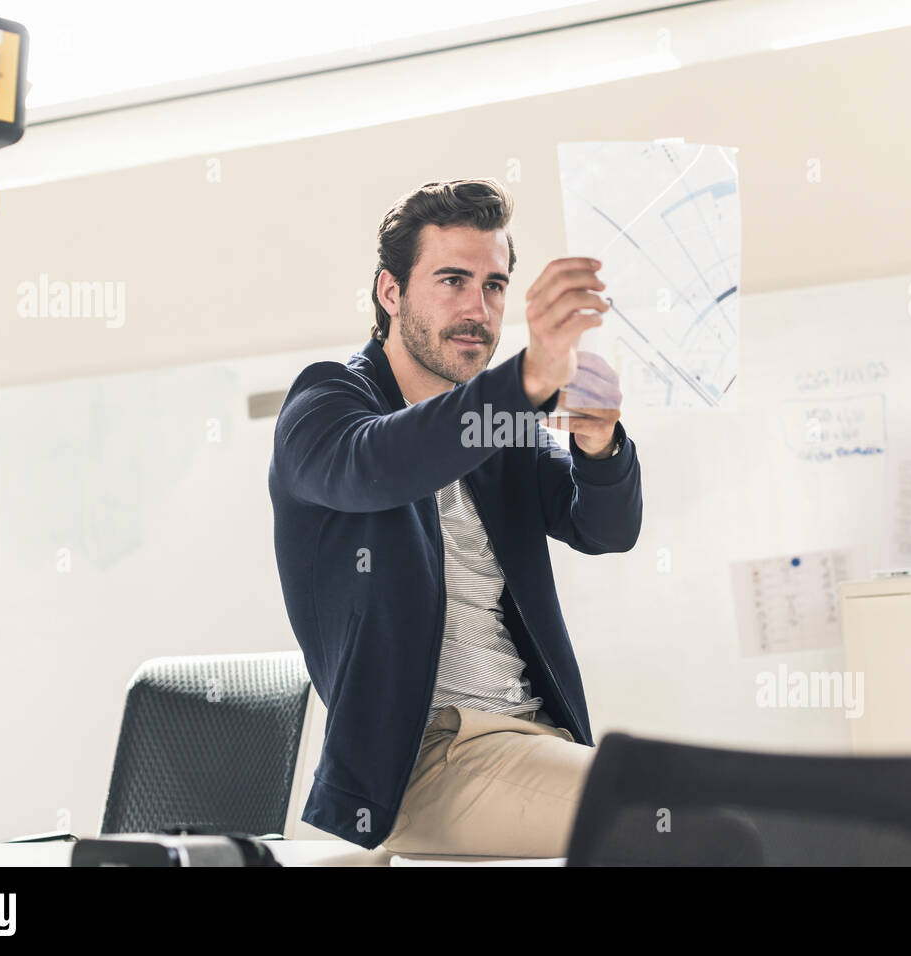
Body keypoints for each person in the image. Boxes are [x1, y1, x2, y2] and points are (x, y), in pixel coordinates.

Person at [269, 178, 643, 857]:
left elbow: (604, 528)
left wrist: (599, 445)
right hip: (424, 763)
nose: (479, 308)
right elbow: (383, 463)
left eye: (495, 285)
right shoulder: (326, 404)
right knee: (686, 816)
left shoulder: (496, 428)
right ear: (391, 294)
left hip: (534, 740)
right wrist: (527, 378)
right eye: (453, 280)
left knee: (708, 804)